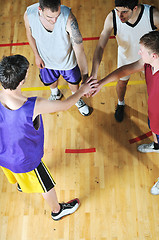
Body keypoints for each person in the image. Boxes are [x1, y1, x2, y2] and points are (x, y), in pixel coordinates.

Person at [0, 54, 97, 220]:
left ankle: (23, 185)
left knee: (15, 174)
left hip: (3, 155)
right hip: (25, 160)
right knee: (46, 184)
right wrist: (81, 90)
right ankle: (57, 210)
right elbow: (65, 105)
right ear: (22, 81)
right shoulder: (32, 105)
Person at [92, 30, 159, 194]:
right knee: (154, 131)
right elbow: (125, 70)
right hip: (154, 115)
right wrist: (100, 84)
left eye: (142, 51)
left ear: (155, 55)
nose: (139, 53)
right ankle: (157, 145)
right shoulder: (148, 63)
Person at [91, 0, 159, 122]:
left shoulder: (152, 15)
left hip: (149, 60)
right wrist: (94, 75)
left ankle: (154, 110)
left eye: (124, 12)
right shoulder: (112, 17)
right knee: (122, 84)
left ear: (135, 8)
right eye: (117, 10)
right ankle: (120, 103)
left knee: (153, 89)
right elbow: (100, 46)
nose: (119, 15)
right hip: (126, 57)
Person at [24, 0, 91, 116]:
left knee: (74, 82)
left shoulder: (68, 18)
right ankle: (55, 93)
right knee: (50, 81)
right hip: (46, 61)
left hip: (68, 62)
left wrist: (85, 77)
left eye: (57, 16)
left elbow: (79, 50)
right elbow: (29, 34)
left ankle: (76, 98)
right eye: (50, 17)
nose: (54, 20)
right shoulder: (29, 15)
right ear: (40, 9)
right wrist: (36, 55)